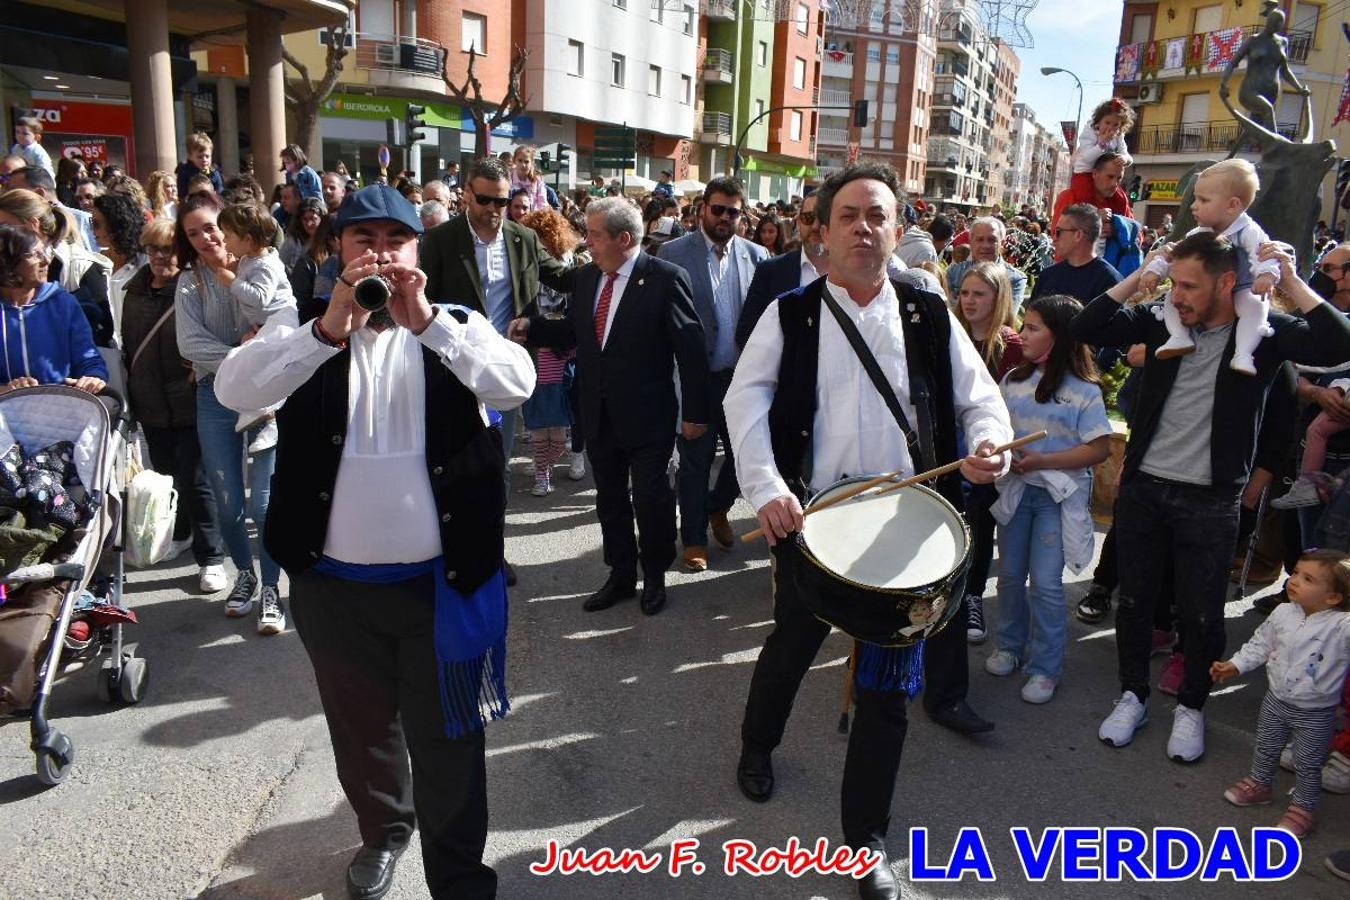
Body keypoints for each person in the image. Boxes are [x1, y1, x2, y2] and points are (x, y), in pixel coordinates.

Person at [214, 182, 534, 900]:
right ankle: (384, 832)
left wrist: (427, 324)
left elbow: (515, 386)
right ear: (337, 252)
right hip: (334, 589)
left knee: (449, 744)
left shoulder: (454, 322)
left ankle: (457, 878)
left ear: (417, 251)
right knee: (362, 735)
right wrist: (326, 331)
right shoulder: (305, 325)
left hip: (438, 590)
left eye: (396, 239)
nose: (380, 253)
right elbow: (235, 390)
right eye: (363, 239)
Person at [726, 163, 1011, 900]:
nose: (863, 228)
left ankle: (867, 846)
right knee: (792, 645)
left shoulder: (927, 312)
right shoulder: (791, 313)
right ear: (821, 229)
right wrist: (766, 488)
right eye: (848, 214)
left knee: (886, 693)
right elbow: (744, 400)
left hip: (908, 527)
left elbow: (980, 399)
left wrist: (991, 447)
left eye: (876, 215)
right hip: (815, 520)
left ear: (897, 226)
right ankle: (758, 746)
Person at [1074, 233, 1350, 764]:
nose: (1177, 296)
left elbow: (1339, 345)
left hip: (1211, 498)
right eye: (1174, 283)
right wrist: (1145, 275)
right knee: (1134, 601)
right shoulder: (1162, 322)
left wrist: (1291, 281)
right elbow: (1087, 327)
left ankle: (1192, 708)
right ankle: (1132, 694)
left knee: (1201, 614)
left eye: (1189, 286)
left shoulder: (1263, 332)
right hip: (1147, 489)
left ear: (1227, 283)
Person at [508, 197, 709, 617]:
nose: (587, 242)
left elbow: (690, 351)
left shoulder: (665, 279)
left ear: (623, 238)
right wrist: (535, 327)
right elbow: (576, 331)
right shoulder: (586, 278)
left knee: (651, 500)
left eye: (595, 235)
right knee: (611, 501)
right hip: (598, 412)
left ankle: (654, 576)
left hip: (649, 417)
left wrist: (695, 414)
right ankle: (620, 574)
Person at [419, 158, 577, 586]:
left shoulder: (523, 238)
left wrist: (612, 267)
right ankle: (444, 551)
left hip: (503, 371)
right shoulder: (440, 240)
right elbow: (421, 300)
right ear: (466, 193)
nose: (494, 208)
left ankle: (492, 552)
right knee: (447, 463)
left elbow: (562, 276)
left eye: (502, 200)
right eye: (485, 199)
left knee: (496, 464)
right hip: (451, 369)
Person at [174, 191, 296, 634]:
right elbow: (189, 345)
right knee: (228, 504)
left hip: (266, 394)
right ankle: (242, 575)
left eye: (210, 227)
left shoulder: (258, 265)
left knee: (263, 505)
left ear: (228, 226)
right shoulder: (190, 281)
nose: (206, 238)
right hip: (214, 395)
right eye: (194, 233)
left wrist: (254, 358)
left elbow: (280, 318)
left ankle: (271, 588)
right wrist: (240, 357)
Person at [984, 294, 1112, 704]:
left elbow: (1099, 449)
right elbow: (996, 429)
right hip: (1018, 494)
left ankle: (1045, 667)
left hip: (1057, 500)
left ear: (1059, 336)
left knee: (1045, 585)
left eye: (1033, 327)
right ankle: (1009, 645)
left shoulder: (1084, 391)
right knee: (1008, 577)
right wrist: (997, 451)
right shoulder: (1013, 381)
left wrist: (1044, 460)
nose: (1022, 334)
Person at [656, 177, 769, 569]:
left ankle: (717, 508)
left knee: (745, 458)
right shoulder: (672, 253)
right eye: (717, 209)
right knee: (695, 459)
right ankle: (693, 540)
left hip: (742, 379)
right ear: (703, 208)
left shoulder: (757, 257)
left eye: (732, 212)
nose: (724, 217)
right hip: (694, 377)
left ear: (742, 215)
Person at [121, 218, 228, 594]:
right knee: (167, 476)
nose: (158, 257)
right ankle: (180, 534)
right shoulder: (134, 291)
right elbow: (131, 347)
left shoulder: (193, 288)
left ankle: (212, 557)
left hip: (190, 399)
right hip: (150, 403)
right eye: (151, 249)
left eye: (166, 249)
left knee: (198, 481)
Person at [1212, 550, 1350, 837]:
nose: (1294, 580)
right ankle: (1261, 783)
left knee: (1308, 762)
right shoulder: (1283, 612)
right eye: (1296, 572)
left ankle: (1303, 807)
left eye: (1308, 578)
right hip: (1275, 700)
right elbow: (1260, 644)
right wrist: (1235, 665)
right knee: (1266, 746)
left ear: (1333, 598)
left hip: (1316, 711)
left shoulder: (1341, 626)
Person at [1140, 159, 1277, 375]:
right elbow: (1174, 254)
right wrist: (1155, 270)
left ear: (1232, 205)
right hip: (1207, 294)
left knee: (1255, 308)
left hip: (1244, 286)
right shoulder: (1199, 233)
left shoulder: (1249, 231)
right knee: (1171, 298)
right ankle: (1179, 336)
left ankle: (1243, 353)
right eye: (1195, 198)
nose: (1194, 205)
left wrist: (1266, 275)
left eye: (1203, 200)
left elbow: (1265, 255)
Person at [953, 262, 1024, 643]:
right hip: (951, 449)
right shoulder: (951, 334)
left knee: (980, 526)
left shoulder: (1011, 345)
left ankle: (973, 598)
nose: (969, 301)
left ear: (998, 299)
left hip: (990, 451)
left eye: (979, 294)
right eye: (964, 292)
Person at [217, 201, 298, 451]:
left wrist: (232, 282)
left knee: (269, 369)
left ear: (248, 240)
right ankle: (255, 408)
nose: (224, 241)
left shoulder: (266, 264)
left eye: (228, 236)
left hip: (281, 320)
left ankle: (269, 419)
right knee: (250, 361)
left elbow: (259, 297)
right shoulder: (248, 260)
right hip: (265, 322)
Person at [517, 207, 583, 495]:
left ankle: (560, 457)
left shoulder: (568, 264)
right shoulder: (525, 262)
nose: (539, 241)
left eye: (542, 235)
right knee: (538, 425)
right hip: (533, 346)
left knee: (561, 422)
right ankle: (542, 471)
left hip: (561, 349)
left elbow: (573, 301)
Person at [0, 187, 112, 348]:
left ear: (32, 226)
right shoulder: (7, 264)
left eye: (5, 226)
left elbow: (101, 330)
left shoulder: (80, 266)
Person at [0, 224, 106, 392]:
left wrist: (93, 376)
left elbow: (88, 359)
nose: (46, 260)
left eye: (46, 251)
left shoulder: (63, 303)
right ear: (7, 261)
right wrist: (6, 390)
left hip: (59, 409)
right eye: (35, 254)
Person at [737, 192, 829, 350]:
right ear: (799, 222)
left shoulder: (853, 274)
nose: (815, 226)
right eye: (809, 218)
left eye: (824, 218)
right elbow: (747, 333)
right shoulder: (771, 271)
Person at [1031, 203, 1122, 303]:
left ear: (1078, 235)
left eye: (1058, 232)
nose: (1054, 238)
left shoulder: (1110, 282)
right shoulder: (1047, 276)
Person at [90, 191, 146, 346]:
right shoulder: (92, 265)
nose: (92, 230)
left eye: (97, 224)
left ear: (116, 224)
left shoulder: (146, 265)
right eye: (91, 223)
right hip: (107, 353)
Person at [9, 165, 99, 255]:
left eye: (14, 192)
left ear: (39, 194)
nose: (7, 196)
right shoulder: (16, 222)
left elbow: (98, 261)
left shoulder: (83, 220)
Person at [946, 217, 1028, 313]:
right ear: (971, 243)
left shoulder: (1015, 279)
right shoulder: (954, 273)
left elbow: (1006, 316)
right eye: (980, 240)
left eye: (992, 240)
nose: (986, 245)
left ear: (1002, 243)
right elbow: (948, 313)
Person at [1070, 100, 1134, 215]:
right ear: (1098, 122)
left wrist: (1124, 158)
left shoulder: (1118, 135)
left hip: (1103, 171)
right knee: (1084, 196)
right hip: (1084, 172)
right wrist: (1101, 145)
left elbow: (1128, 156)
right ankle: (1094, 216)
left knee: (1121, 199)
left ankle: (1119, 222)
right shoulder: (1090, 132)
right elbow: (1086, 158)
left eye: (1115, 125)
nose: (1110, 128)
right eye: (1107, 123)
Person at [1052, 152, 1132, 230]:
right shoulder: (1069, 196)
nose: (1114, 184)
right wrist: (1094, 220)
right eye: (1110, 177)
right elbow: (1057, 236)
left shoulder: (1121, 202)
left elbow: (1138, 235)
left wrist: (1115, 230)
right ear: (1095, 174)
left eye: (1119, 178)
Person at [175, 132, 224, 202]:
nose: (204, 160)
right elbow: (182, 195)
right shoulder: (185, 172)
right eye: (200, 157)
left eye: (207, 156)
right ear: (190, 156)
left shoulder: (214, 173)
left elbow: (220, 192)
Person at [509, 146, 549, 212]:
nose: (523, 165)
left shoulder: (537, 179)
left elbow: (543, 203)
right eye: (520, 160)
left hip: (532, 218)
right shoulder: (508, 178)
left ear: (531, 163)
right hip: (512, 219)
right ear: (514, 160)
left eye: (526, 162)